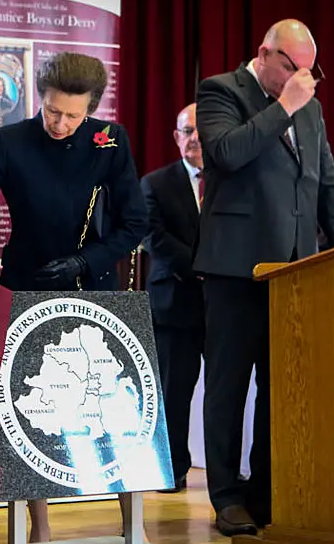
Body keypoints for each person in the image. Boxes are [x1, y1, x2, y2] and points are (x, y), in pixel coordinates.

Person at [0, 51, 148, 543]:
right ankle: (40, 528)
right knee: (27, 411)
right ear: (41, 98)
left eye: (72, 116)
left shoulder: (110, 141)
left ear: (91, 109)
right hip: (27, 284)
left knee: (114, 412)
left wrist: (87, 261)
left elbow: (135, 223)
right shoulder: (10, 141)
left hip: (94, 287)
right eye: (52, 111)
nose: (59, 123)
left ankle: (132, 526)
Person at [193, 19, 334, 536]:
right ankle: (225, 496)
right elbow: (226, 153)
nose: (304, 80)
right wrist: (283, 105)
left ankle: (266, 491)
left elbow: (324, 180)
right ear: (264, 53)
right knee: (227, 387)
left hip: (296, 271)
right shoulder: (221, 91)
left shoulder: (311, 107)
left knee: (280, 389)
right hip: (235, 267)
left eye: (310, 72)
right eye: (293, 67)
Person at [139, 102, 204, 493]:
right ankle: (171, 470)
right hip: (175, 301)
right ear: (176, 138)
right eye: (187, 130)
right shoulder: (155, 183)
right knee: (173, 392)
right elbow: (152, 237)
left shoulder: (232, 182)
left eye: (201, 129)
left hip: (222, 304)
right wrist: (203, 263)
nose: (195, 137)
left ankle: (228, 475)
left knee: (223, 396)